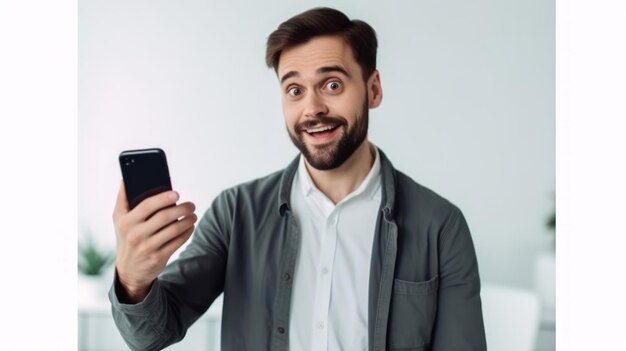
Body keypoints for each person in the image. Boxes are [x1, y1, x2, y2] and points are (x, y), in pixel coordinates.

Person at [110, 7, 486, 351]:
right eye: (295, 90)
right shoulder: (235, 212)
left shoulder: (441, 226)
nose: (312, 108)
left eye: (332, 85)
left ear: (373, 89)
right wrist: (133, 279)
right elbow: (151, 334)